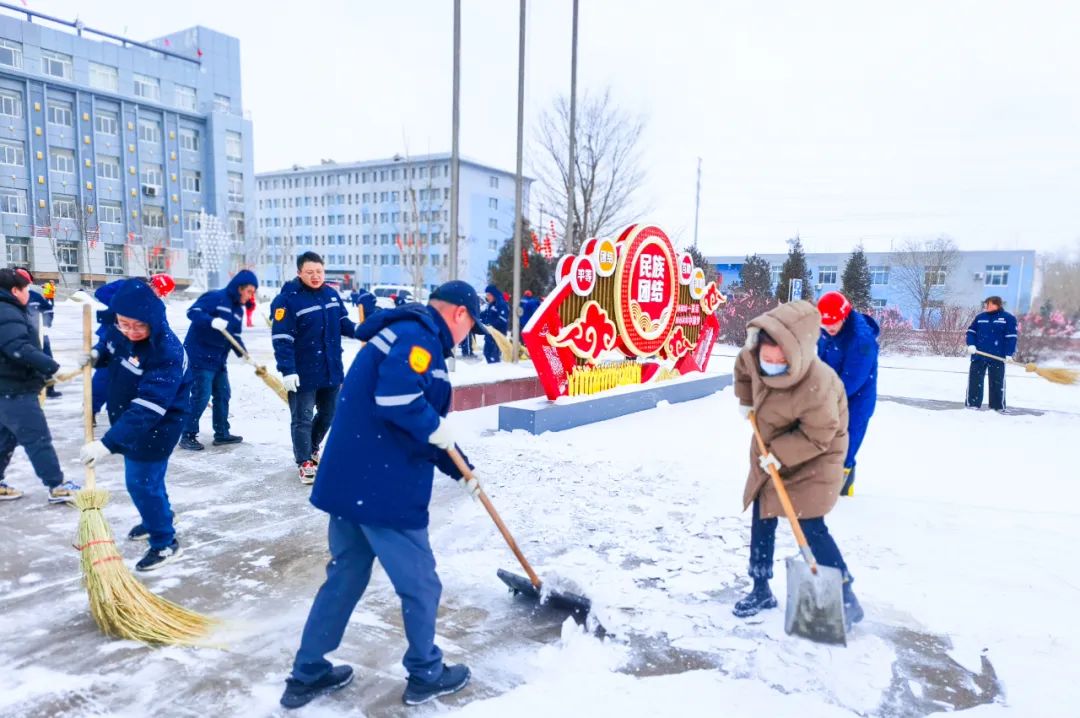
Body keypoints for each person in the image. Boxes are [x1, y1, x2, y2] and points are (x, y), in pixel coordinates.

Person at [280, 280, 487, 710]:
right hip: (383, 488)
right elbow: (399, 400)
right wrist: (437, 429)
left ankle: (308, 672)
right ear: (459, 314)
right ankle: (426, 672)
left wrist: (460, 468)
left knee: (345, 578)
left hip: (350, 483)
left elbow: (416, 420)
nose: (468, 335)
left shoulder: (404, 330)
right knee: (421, 584)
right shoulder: (418, 337)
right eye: (471, 325)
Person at [731, 301, 863, 628]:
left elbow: (821, 433)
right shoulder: (753, 356)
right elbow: (743, 369)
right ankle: (760, 587)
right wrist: (746, 400)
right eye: (767, 358)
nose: (772, 364)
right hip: (769, 449)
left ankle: (845, 595)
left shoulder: (818, 383)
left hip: (815, 455)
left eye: (780, 360)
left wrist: (782, 454)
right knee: (763, 516)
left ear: (796, 353)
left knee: (809, 525)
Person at [80, 279, 191, 571]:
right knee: (150, 482)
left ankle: (165, 542)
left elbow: (148, 407)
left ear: (152, 320)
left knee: (141, 484)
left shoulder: (167, 352)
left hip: (157, 427)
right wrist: (97, 355)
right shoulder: (122, 334)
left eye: (138, 325)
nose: (130, 331)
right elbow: (111, 347)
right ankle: (159, 516)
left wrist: (108, 443)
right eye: (123, 323)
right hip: (131, 420)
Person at [271, 252, 363, 484]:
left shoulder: (331, 295)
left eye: (319, 272)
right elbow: (282, 338)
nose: (315, 276)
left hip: (330, 368)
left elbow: (343, 323)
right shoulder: (288, 300)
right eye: (310, 272)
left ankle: (312, 448)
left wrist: (364, 329)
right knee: (302, 418)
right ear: (299, 273)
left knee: (329, 413)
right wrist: (287, 370)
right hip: (302, 372)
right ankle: (304, 462)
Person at [0, 268, 79, 502]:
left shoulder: (6, 308)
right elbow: (18, 348)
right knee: (37, 438)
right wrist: (52, 367)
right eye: (26, 289)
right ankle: (57, 486)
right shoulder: (6, 310)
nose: (28, 294)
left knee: (5, 438)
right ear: (15, 290)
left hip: (6, 388)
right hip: (14, 389)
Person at [179, 270, 258, 451]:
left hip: (218, 359)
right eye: (249, 291)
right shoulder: (215, 297)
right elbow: (193, 312)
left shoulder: (238, 310)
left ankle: (222, 433)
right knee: (201, 395)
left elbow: (235, 336)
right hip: (199, 355)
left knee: (223, 394)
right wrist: (211, 321)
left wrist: (245, 355)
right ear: (239, 288)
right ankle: (187, 435)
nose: (251, 296)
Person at [816, 291, 879, 497]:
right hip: (833, 392)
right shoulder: (827, 330)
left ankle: (842, 492)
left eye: (833, 322)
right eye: (825, 323)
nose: (829, 327)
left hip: (857, 399)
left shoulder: (862, 341)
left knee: (846, 442)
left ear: (844, 315)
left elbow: (852, 380)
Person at [91, 274, 175, 419]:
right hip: (112, 337)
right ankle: (91, 409)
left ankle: (124, 413)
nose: (157, 295)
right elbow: (101, 293)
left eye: (161, 294)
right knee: (104, 376)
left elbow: (162, 327)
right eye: (158, 291)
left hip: (135, 345)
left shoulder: (157, 305)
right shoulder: (126, 287)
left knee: (129, 380)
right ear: (152, 284)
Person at [965, 296, 1018, 413]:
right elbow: (971, 332)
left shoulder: (1008, 318)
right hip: (979, 355)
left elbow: (1011, 337)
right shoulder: (980, 318)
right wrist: (971, 344)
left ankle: (997, 406)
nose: (986, 306)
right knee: (975, 381)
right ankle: (972, 404)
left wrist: (1009, 353)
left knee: (997, 382)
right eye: (985, 304)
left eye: (988, 304)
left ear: (996, 305)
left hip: (997, 356)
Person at [15, 269, 60, 399]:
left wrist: (46, 323)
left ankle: (49, 388)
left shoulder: (34, 296)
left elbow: (47, 309)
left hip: (39, 334)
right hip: (20, 336)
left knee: (46, 359)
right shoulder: (10, 297)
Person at [479, 284, 508, 364]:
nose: (487, 297)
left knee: (494, 356)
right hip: (490, 334)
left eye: (489, 295)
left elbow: (502, 320)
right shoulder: (491, 304)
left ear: (493, 294)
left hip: (498, 335)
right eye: (486, 295)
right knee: (487, 353)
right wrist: (477, 317)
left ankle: (496, 371)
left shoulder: (501, 304)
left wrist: (490, 324)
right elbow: (485, 315)